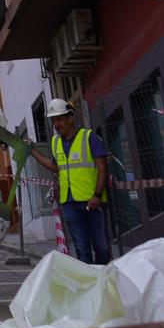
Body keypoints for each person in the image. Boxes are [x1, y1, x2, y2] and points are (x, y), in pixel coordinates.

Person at [30, 98, 111, 264]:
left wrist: (96, 195)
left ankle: (104, 282)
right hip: (69, 203)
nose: (56, 124)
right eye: (53, 120)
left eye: (59, 119)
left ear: (70, 118)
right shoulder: (55, 142)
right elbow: (55, 167)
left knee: (102, 248)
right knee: (82, 250)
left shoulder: (88, 137)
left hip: (91, 201)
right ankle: (89, 286)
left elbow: (102, 168)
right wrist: (33, 152)